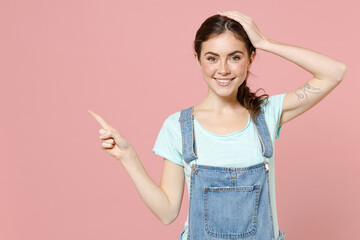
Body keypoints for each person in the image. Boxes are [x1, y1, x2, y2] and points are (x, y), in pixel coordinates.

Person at [88, 11, 347, 240]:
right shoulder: (178, 126)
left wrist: (266, 42)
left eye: (235, 57)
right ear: (198, 59)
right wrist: (128, 156)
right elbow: (167, 213)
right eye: (212, 58)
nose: (223, 69)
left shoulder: (265, 115)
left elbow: (334, 71)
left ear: (251, 58)